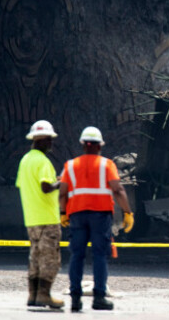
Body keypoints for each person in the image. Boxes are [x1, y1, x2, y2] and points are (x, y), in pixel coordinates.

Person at [59, 126, 134, 312]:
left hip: (77, 215)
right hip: (100, 216)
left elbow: (63, 193)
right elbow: (118, 190)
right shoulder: (107, 165)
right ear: (100, 146)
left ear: (83, 145)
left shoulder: (70, 165)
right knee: (99, 256)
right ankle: (99, 298)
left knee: (77, 255)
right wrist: (127, 212)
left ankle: (76, 299)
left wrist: (63, 213)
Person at [15, 120, 65, 309]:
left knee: (35, 257)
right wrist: (61, 182)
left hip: (32, 219)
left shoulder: (25, 160)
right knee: (50, 258)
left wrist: (54, 181)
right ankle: (44, 295)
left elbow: (26, 185)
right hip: (47, 219)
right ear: (42, 140)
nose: (51, 143)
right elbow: (45, 187)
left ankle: (33, 295)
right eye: (49, 140)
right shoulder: (43, 161)